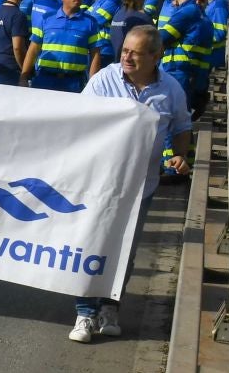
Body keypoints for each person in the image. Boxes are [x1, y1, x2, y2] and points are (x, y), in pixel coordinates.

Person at [70, 26, 191, 344]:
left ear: (156, 55)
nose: (126, 56)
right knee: (92, 245)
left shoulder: (171, 89)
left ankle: (110, 308)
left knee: (124, 251)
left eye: (135, 52)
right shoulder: (103, 80)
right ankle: (84, 312)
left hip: (142, 187)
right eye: (124, 50)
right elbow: (78, 120)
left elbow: (181, 125)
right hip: (100, 185)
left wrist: (179, 155)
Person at [22, 0, 105, 92]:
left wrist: (92, 85)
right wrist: (24, 76)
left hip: (74, 82)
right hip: (44, 79)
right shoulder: (46, 18)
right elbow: (33, 49)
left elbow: (95, 54)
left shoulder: (90, 23)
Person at [157, 0, 215, 115]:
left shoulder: (186, 12)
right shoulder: (199, 13)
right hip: (190, 73)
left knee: (171, 121)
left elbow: (162, 38)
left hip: (179, 72)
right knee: (180, 121)